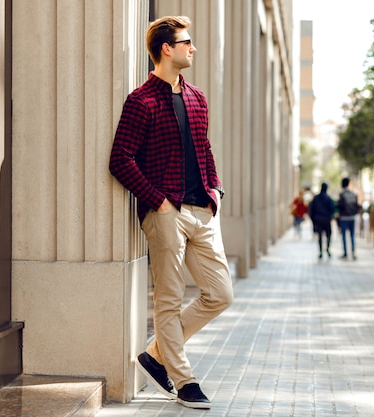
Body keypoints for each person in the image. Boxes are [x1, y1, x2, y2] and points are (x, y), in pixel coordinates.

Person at [109, 16, 233, 410]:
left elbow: (205, 148)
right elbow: (120, 159)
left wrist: (215, 190)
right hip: (166, 211)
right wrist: (156, 199)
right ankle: (184, 381)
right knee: (168, 298)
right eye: (187, 42)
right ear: (167, 48)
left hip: (203, 210)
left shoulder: (197, 97)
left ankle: (155, 354)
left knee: (220, 294)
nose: (192, 48)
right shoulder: (140, 100)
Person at [308, 182, 335, 259]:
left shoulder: (316, 198)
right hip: (326, 219)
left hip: (318, 219)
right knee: (328, 235)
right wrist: (330, 217)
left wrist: (313, 220)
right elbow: (332, 209)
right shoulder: (328, 198)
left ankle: (320, 251)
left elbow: (311, 210)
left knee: (320, 236)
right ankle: (327, 248)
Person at [338, 177, 359, 260]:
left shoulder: (342, 194)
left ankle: (345, 253)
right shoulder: (353, 194)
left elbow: (340, 206)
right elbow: (356, 206)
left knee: (344, 236)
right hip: (352, 218)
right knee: (352, 235)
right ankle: (353, 252)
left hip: (343, 218)